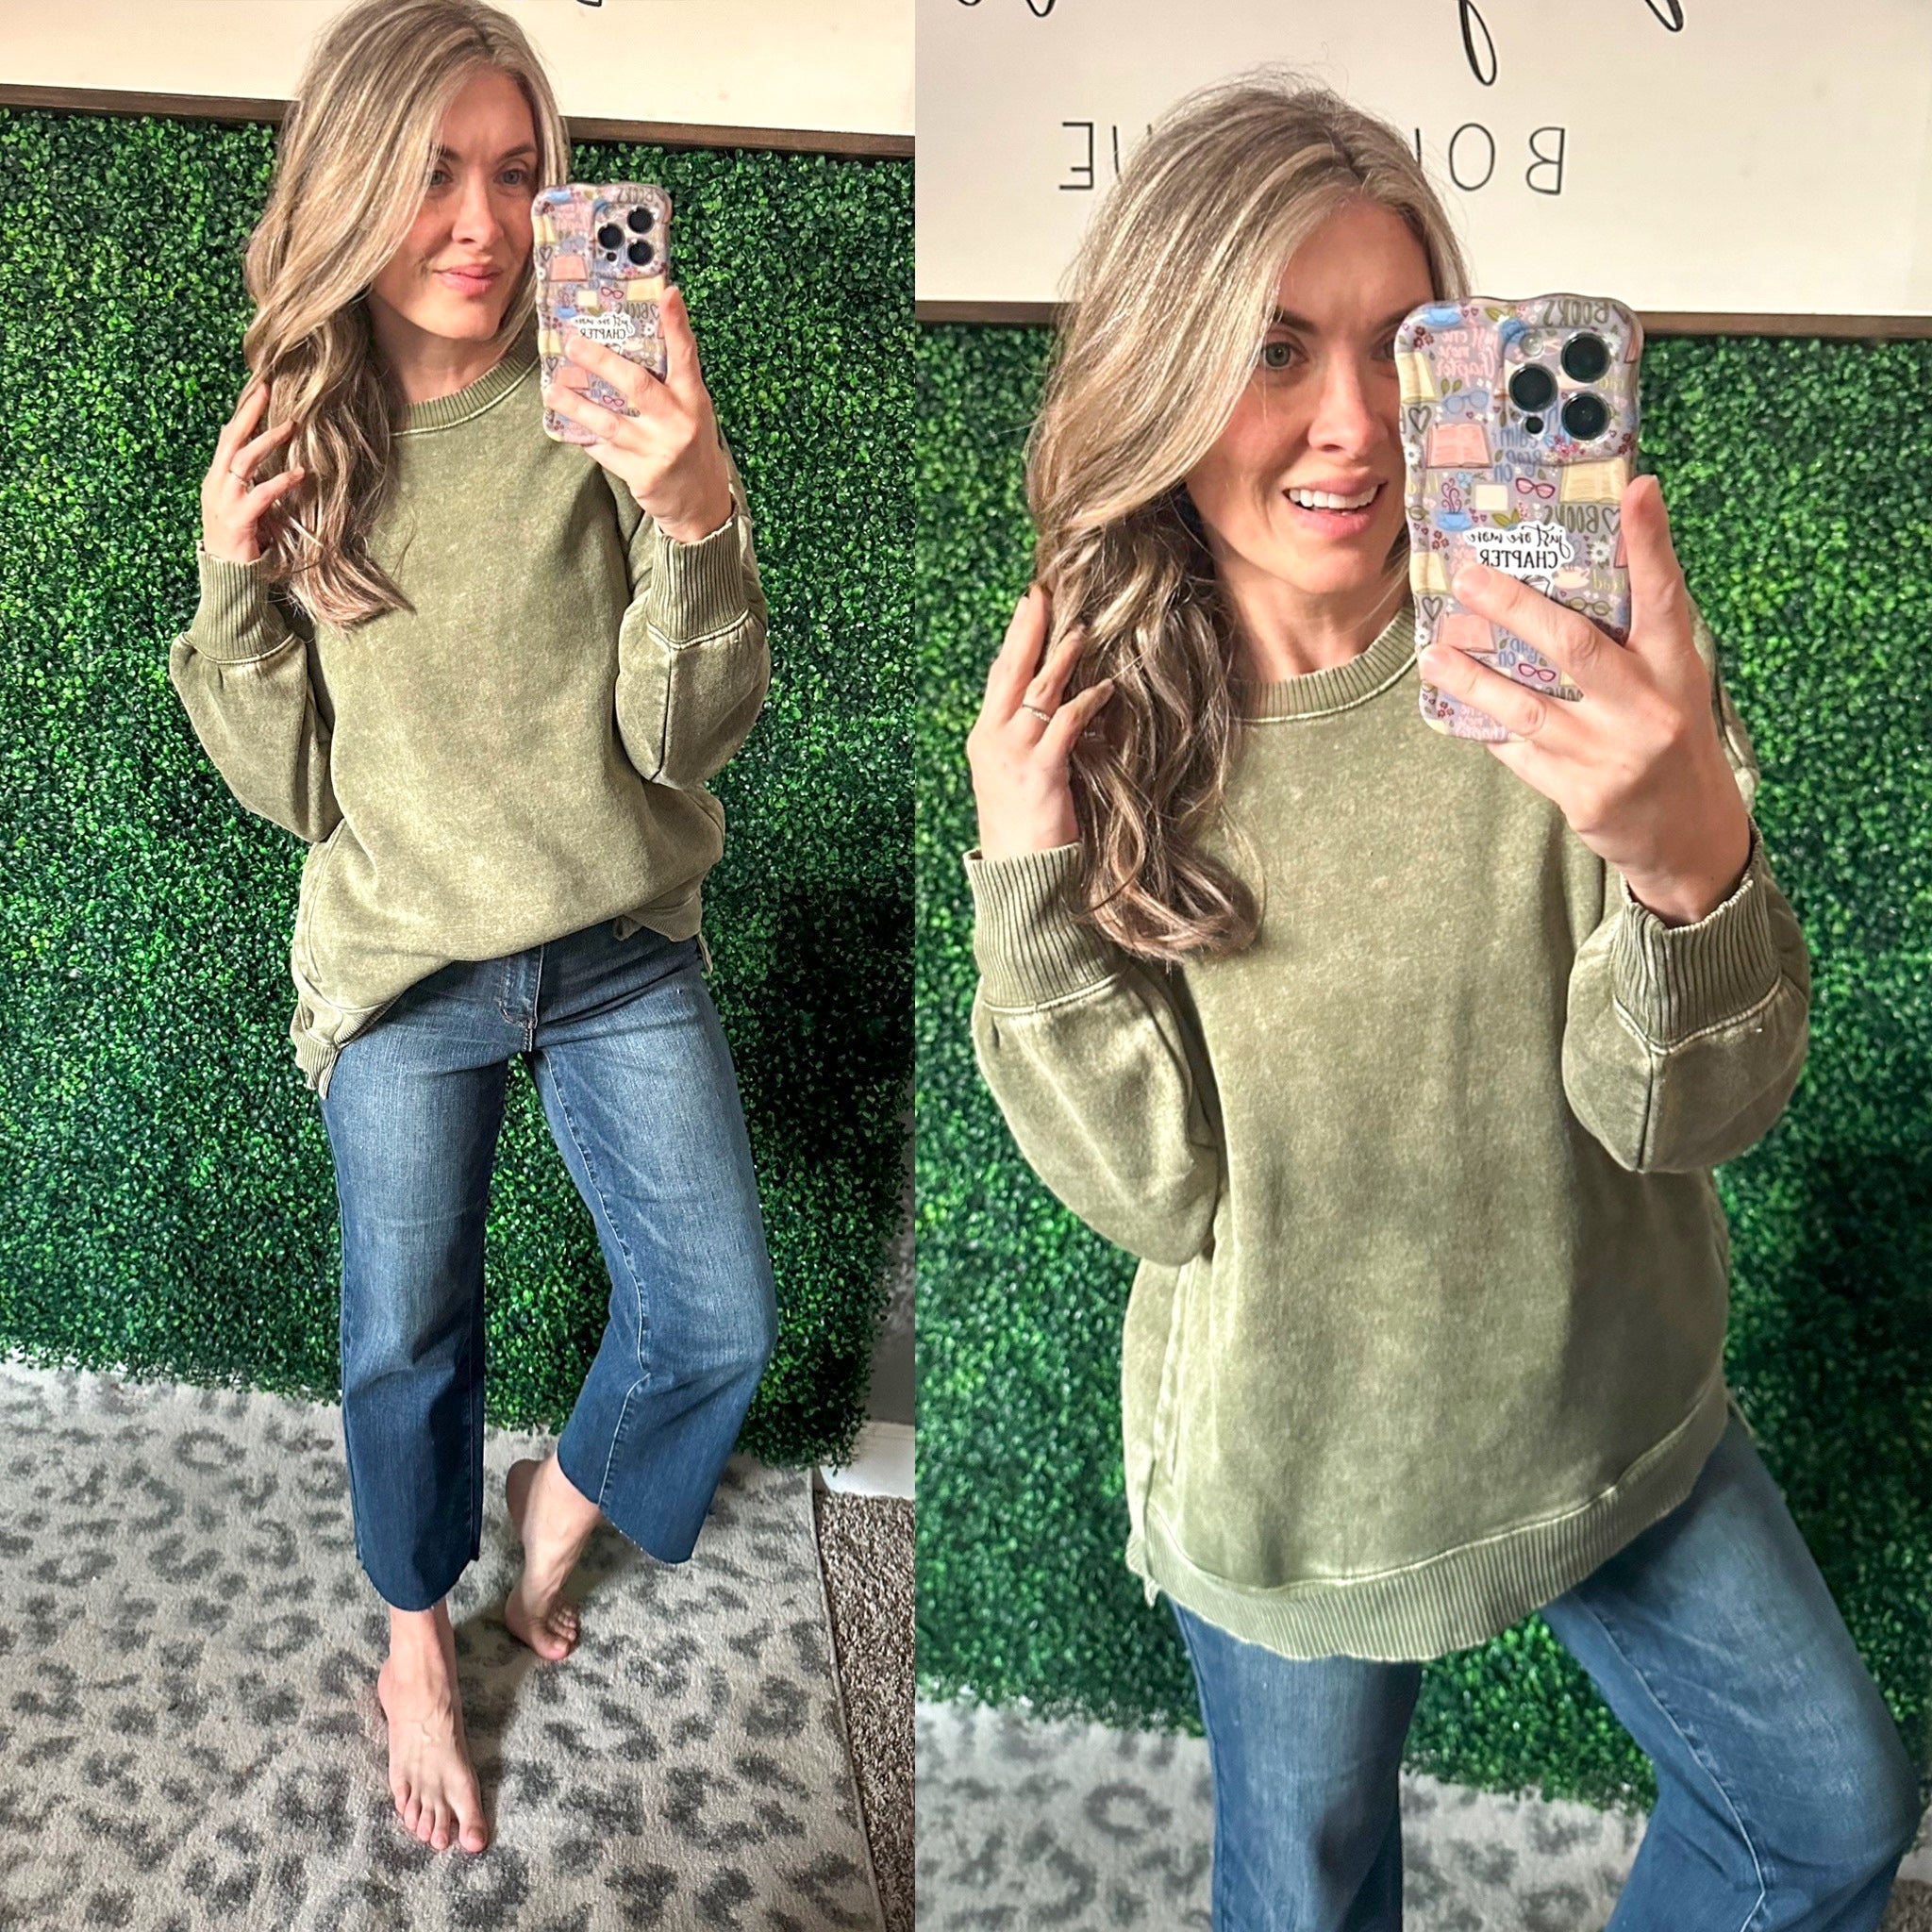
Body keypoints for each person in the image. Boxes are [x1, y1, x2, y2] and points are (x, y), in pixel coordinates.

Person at [963, 72, 1923, 1930]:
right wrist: (1032, 890)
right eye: (1272, 350)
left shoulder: (1569, 668)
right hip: (1299, 1476)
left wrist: (1688, 864)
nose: (1351, 426)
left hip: (1612, 1400)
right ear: (1164, 369)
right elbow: (1154, 1194)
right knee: (1307, 1898)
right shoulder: (1115, 730)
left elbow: (1686, 1116)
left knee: (1827, 1820)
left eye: (1397, 349)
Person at [170, 0, 776, 1857]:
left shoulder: (605, 398)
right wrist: (230, 573)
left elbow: (686, 735)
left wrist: (694, 512)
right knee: (403, 1341)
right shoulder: (308, 426)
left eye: (520, 175)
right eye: (435, 173)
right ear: (353, 184)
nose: (486, 222)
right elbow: (294, 786)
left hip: (616, 943)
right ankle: (415, 1642)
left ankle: (560, 1495)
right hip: (401, 963)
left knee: (717, 1318)